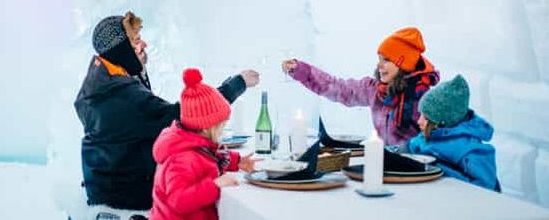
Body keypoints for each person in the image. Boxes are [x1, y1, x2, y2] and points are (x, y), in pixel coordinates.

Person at [75, 12, 259, 214]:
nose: (144, 44)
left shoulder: (101, 81)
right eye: (136, 41)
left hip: (107, 188)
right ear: (121, 51)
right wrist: (237, 85)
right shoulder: (120, 95)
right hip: (126, 198)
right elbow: (182, 115)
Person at [282, 27, 439, 145]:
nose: (379, 66)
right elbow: (337, 87)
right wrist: (301, 70)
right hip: (384, 163)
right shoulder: (374, 90)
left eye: (386, 60)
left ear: (402, 63)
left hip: (414, 168)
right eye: (379, 59)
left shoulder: (424, 98)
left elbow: (434, 139)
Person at [150, 68, 257, 220]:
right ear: (208, 127)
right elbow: (179, 201)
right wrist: (215, 185)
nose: (222, 130)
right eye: (221, 125)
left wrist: (237, 161)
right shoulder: (182, 159)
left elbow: (210, 156)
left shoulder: (195, 146)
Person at [406, 74, 500, 191]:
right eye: (420, 115)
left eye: (426, 118)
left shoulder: (471, 152)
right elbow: (406, 150)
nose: (418, 121)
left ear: (441, 122)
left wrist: (437, 170)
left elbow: (485, 189)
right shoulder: (426, 137)